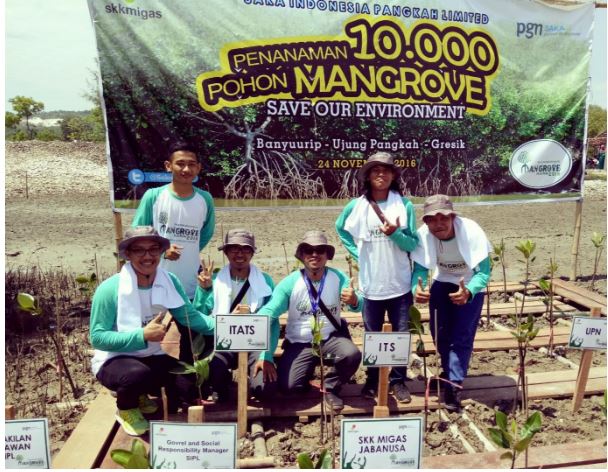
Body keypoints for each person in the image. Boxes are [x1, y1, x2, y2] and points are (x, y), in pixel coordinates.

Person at [89, 226, 215, 436]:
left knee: (188, 384)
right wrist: (142, 335)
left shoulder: (169, 281)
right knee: (136, 375)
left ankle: (140, 393)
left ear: (161, 252)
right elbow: (97, 338)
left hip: (152, 355)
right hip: (115, 359)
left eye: (153, 249)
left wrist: (226, 327)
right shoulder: (110, 289)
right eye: (139, 250)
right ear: (127, 254)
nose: (147, 256)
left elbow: (190, 317)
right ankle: (126, 408)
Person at [335, 152, 418, 403]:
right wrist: (358, 253)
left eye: (386, 170)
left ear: (393, 176)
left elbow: (412, 244)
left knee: (401, 335)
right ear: (368, 176)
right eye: (375, 170)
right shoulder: (356, 206)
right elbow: (340, 228)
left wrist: (394, 234)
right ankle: (372, 379)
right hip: (371, 286)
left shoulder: (404, 205)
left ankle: (398, 380)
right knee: (372, 335)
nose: (381, 174)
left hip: (400, 284)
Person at [257, 231, 362, 412]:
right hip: (300, 345)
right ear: (302, 255)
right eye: (308, 250)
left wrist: (354, 300)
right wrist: (249, 324)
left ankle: (330, 387)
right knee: (289, 387)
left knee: (350, 355)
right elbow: (269, 311)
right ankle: (305, 373)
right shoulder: (290, 283)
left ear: (327, 255)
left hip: (329, 343)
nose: (314, 254)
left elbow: (360, 304)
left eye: (320, 250)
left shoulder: (338, 277)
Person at [132, 141, 215, 366]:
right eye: (180, 164)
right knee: (146, 335)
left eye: (191, 164)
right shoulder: (153, 196)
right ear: (168, 166)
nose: (186, 169)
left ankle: (190, 379)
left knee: (193, 339)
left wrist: (189, 252)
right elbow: (137, 236)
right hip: (152, 281)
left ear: (198, 168)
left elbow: (205, 234)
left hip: (189, 282)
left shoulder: (205, 199)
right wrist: (161, 251)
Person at [411, 195, 492, 412]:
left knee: (461, 335)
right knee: (438, 332)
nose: (438, 224)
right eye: (432, 219)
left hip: (469, 282)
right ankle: (449, 371)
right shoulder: (423, 235)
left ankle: (454, 384)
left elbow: (484, 272)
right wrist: (416, 289)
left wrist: (470, 292)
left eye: (444, 218)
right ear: (426, 222)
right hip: (443, 280)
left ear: (453, 217)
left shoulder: (471, 231)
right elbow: (420, 270)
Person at [193, 229, 277, 402]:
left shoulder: (265, 281)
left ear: (252, 253)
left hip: (255, 342)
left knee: (265, 389)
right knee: (214, 370)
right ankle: (224, 386)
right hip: (224, 343)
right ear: (226, 252)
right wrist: (204, 290)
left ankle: (252, 383)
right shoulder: (214, 280)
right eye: (234, 249)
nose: (240, 254)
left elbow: (273, 318)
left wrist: (266, 356)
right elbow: (199, 316)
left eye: (245, 249)